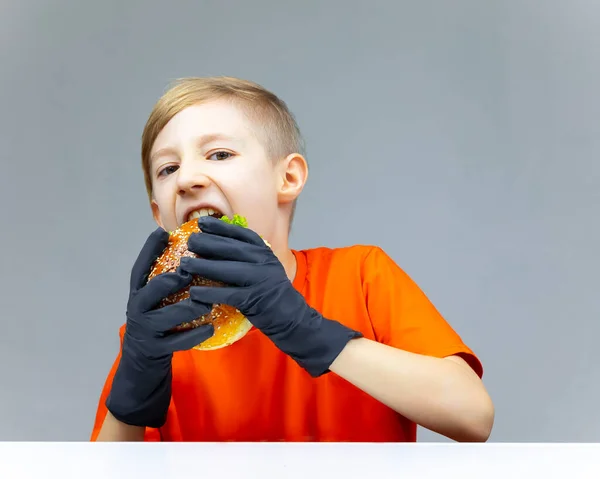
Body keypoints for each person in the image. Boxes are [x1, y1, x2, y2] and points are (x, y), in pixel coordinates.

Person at [90, 76, 494, 442]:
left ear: (288, 178)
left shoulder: (360, 275)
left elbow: (473, 417)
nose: (187, 179)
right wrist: (134, 392)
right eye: (168, 168)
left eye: (218, 155)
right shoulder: (157, 333)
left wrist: (307, 329)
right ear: (159, 215)